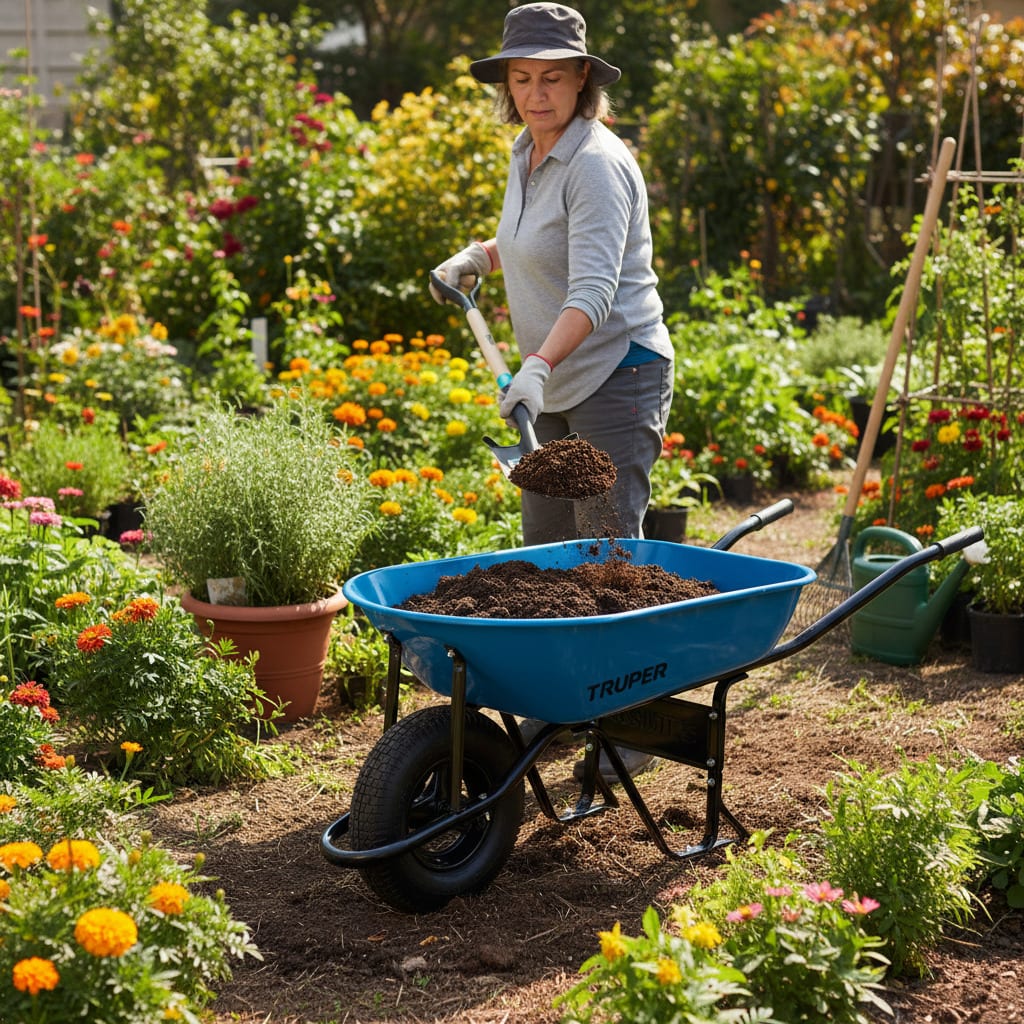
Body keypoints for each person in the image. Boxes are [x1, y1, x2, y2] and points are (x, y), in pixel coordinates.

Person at [430, 3, 673, 782]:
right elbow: (534, 239)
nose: (537, 93)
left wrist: (533, 364)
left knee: (607, 559)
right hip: (558, 374)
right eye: (523, 77)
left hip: (615, 371)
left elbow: (596, 286)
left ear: (582, 83)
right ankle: (568, 697)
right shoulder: (527, 152)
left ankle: (633, 720)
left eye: (554, 78)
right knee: (544, 554)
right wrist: (480, 256)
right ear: (508, 84)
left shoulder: (597, 162)